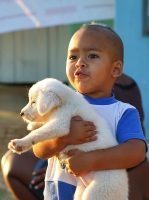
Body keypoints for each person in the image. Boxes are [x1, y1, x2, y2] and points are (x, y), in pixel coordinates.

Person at [1, 24, 147, 200]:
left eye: (92, 55)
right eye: (73, 56)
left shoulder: (122, 111)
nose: (80, 63)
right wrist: (64, 138)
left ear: (115, 69)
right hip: (58, 192)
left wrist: (91, 160)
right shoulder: (57, 103)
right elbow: (40, 151)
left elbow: (136, 152)